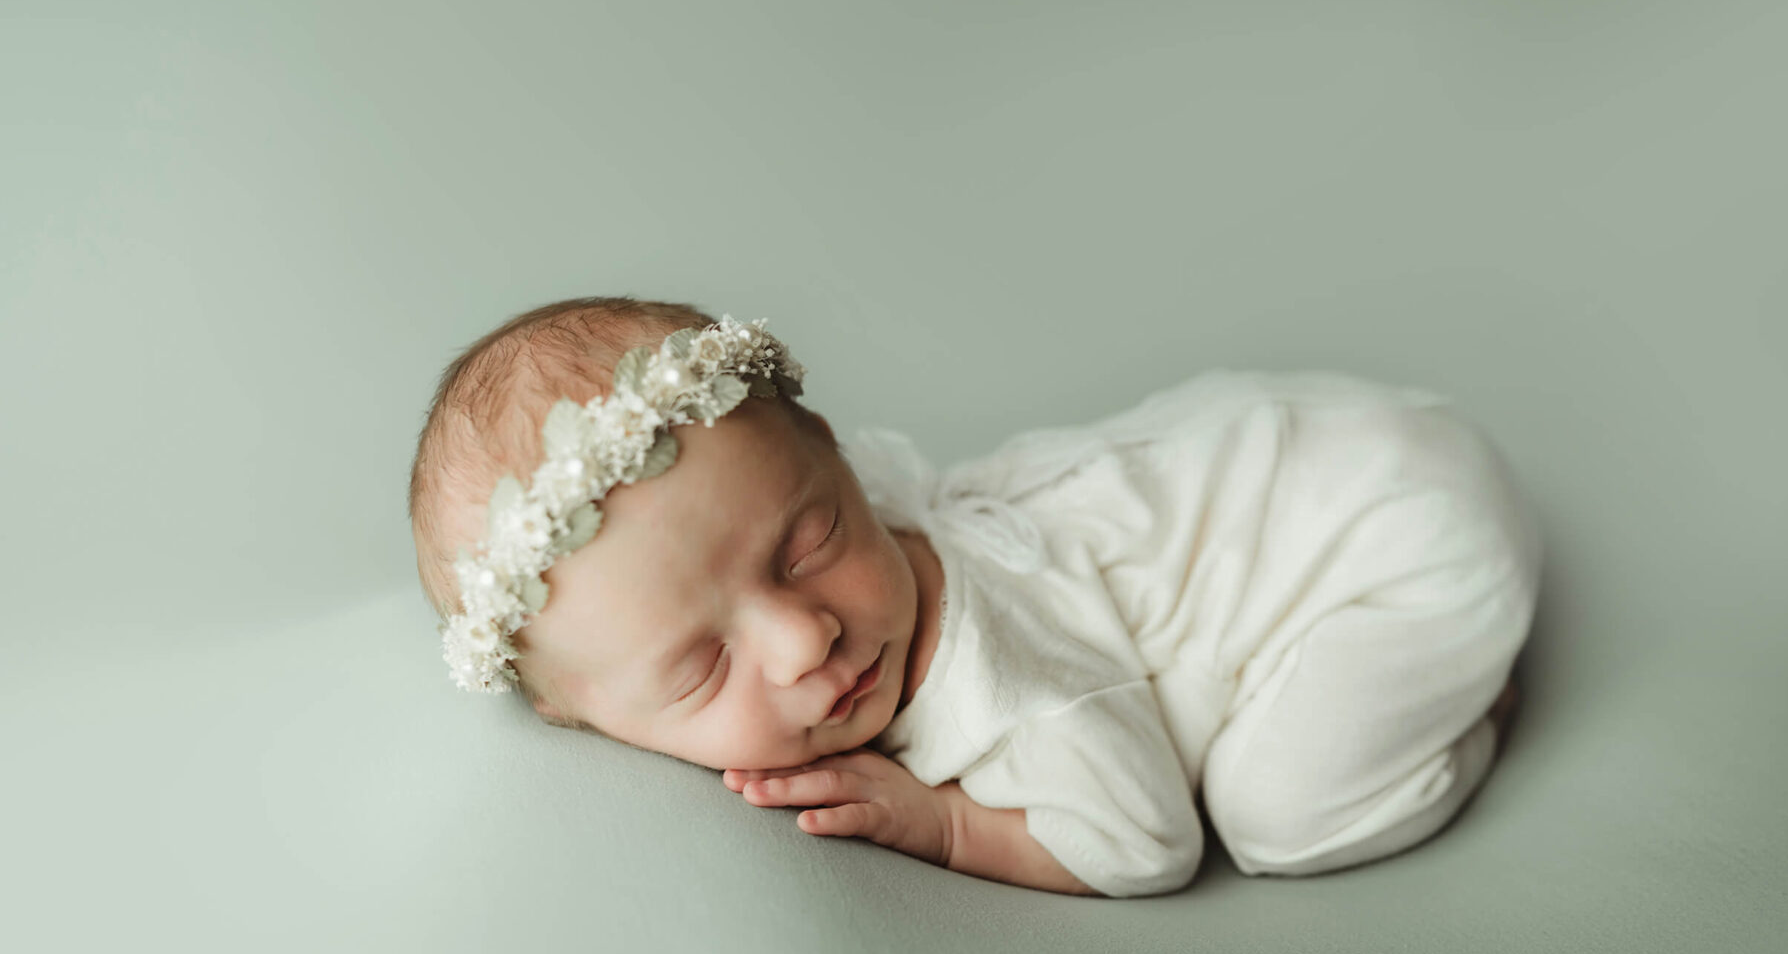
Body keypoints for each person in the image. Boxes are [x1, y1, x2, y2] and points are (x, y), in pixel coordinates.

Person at [408, 297, 1540, 898]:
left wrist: (947, 823)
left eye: (811, 542)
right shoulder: (871, 519)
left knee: (1277, 820)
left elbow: (1147, 840)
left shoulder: (1008, 680)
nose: (807, 636)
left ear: (841, 461)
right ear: (582, 717)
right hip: (1298, 445)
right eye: (704, 668)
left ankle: (1465, 715)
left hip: (1396, 541)